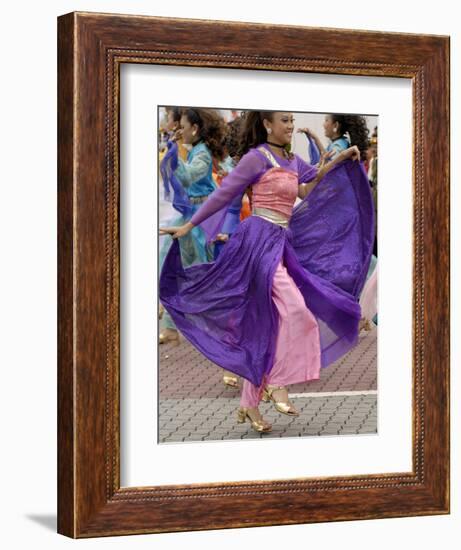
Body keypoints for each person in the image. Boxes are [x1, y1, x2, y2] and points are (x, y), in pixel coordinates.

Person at [160, 111, 374, 433]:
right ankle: (277, 382)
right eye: (284, 120)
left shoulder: (291, 160)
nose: (290, 125)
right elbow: (224, 194)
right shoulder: (255, 158)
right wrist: (189, 224)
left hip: (281, 244)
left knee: (267, 327)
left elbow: (307, 188)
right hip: (257, 244)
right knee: (297, 311)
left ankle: (249, 405)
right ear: (267, 125)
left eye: (291, 120)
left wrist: (342, 157)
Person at [158, 107, 228, 345]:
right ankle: (171, 324)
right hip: (191, 215)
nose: (180, 130)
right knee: (176, 263)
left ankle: (216, 325)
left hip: (202, 217)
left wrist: (174, 153)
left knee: (195, 271)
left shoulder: (203, 154)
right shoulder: (196, 150)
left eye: (183, 126)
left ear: (195, 128)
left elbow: (187, 177)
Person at [297, 113, 370, 164]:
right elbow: (327, 156)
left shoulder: (338, 146)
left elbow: (329, 166)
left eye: (326, 120)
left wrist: (315, 138)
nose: (323, 125)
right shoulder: (341, 142)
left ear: (336, 125)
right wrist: (315, 138)